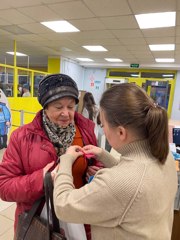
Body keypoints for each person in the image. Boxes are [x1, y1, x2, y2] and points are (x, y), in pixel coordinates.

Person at [53, 83, 178, 240]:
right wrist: (103, 155)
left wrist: (65, 161)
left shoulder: (118, 182)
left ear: (121, 132)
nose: (103, 129)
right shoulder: (164, 156)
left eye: (103, 125)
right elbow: (136, 179)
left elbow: (63, 205)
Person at [0, 73, 101, 239]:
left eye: (70, 106)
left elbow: (96, 164)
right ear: (45, 107)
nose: (66, 113)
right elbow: (4, 187)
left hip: (80, 219)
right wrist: (41, 179)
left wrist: (94, 172)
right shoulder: (22, 137)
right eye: (58, 107)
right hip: (39, 223)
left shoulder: (85, 130)